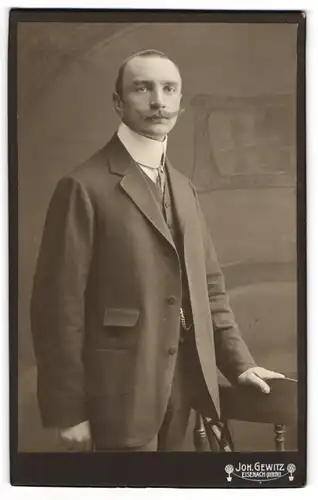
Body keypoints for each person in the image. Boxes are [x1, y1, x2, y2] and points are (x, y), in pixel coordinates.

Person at [30, 49, 284, 452]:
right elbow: (57, 308)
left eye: (169, 89)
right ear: (118, 102)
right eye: (142, 88)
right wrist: (68, 409)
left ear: (181, 105)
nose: (158, 101)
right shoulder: (83, 187)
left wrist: (241, 364)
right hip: (116, 396)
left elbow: (210, 291)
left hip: (184, 392)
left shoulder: (184, 187)